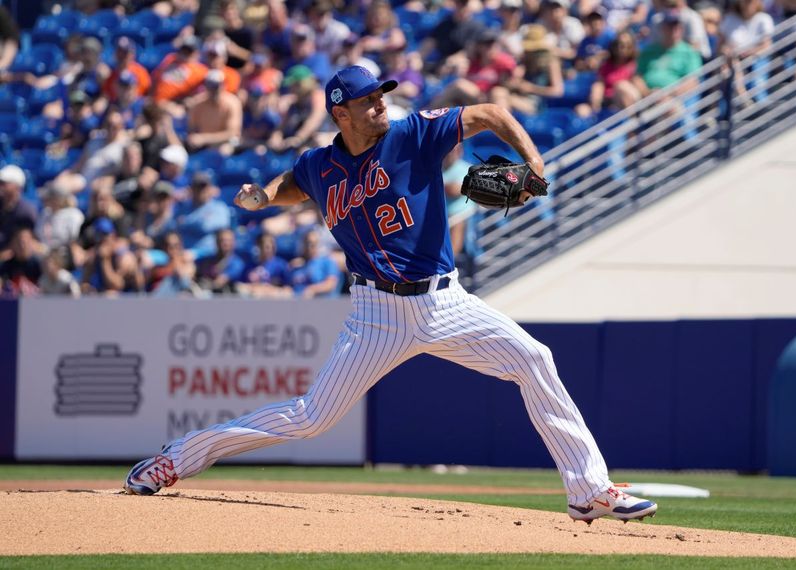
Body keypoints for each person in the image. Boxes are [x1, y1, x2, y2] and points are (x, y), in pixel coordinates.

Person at [124, 65, 658, 526]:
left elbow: (491, 113)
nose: (380, 104)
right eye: (368, 100)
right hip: (375, 316)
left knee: (534, 360)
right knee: (311, 418)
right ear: (341, 114)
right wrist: (265, 196)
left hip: (445, 302)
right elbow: (297, 181)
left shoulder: (413, 135)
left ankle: (589, 490)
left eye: (381, 95)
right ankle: (179, 457)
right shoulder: (320, 165)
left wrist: (534, 164)